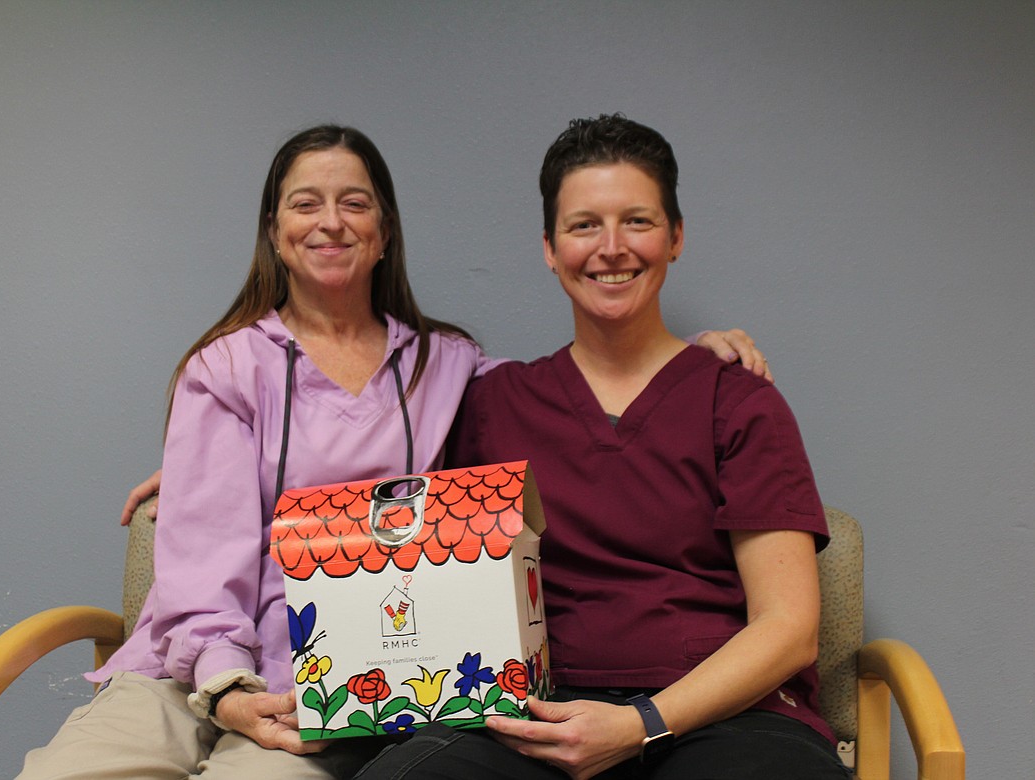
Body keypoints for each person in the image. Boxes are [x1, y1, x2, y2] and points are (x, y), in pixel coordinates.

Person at [18, 124, 762, 780]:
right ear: (274, 230)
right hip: (191, 672)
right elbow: (202, 567)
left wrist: (688, 358)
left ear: (384, 230)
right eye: (306, 203)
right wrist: (224, 682)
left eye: (355, 203)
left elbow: (578, 391)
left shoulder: (449, 367)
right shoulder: (225, 369)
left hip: (335, 684)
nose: (331, 223)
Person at [353, 116, 851, 779]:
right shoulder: (494, 402)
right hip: (543, 711)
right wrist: (207, 467)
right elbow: (396, 519)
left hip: (725, 716)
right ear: (550, 248)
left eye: (637, 221)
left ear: (675, 237)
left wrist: (642, 723)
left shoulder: (737, 400)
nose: (611, 248)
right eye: (584, 225)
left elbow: (789, 626)